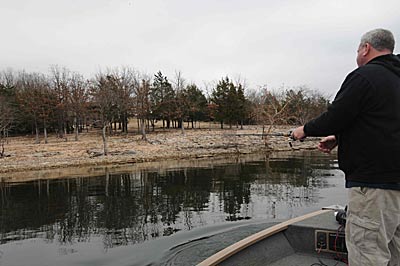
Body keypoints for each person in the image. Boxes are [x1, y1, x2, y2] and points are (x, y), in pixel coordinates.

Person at [292, 28, 400, 266]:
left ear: (366, 48)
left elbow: (336, 116)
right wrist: (339, 138)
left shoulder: (364, 76)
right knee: (395, 252)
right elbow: (383, 121)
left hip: (374, 184)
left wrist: (304, 130)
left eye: (357, 49)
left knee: (368, 252)